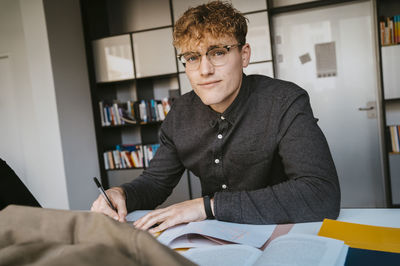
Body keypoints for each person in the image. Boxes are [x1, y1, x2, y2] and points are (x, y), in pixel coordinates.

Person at [91, 1, 340, 233]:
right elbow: (155, 183)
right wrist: (121, 193)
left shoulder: (285, 101)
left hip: (285, 230)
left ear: (244, 55)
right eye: (192, 58)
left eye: (218, 52)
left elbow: (321, 194)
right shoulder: (179, 115)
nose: (205, 70)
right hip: (218, 237)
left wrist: (207, 207)